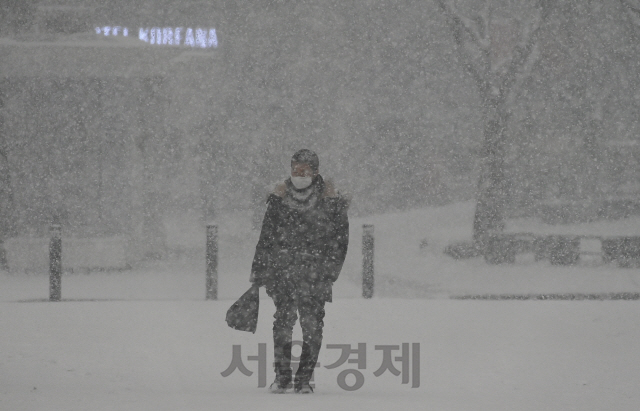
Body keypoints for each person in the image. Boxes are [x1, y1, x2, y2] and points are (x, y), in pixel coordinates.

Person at [250, 149, 350, 394]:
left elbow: (340, 241)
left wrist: (329, 272)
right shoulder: (278, 199)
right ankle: (282, 376)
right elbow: (266, 237)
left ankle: (304, 378)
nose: (299, 175)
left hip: (315, 274)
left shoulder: (331, 200)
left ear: (315, 172)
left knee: (312, 325)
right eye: (295, 170)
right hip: (282, 272)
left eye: (304, 170)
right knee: (282, 323)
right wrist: (259, 269)